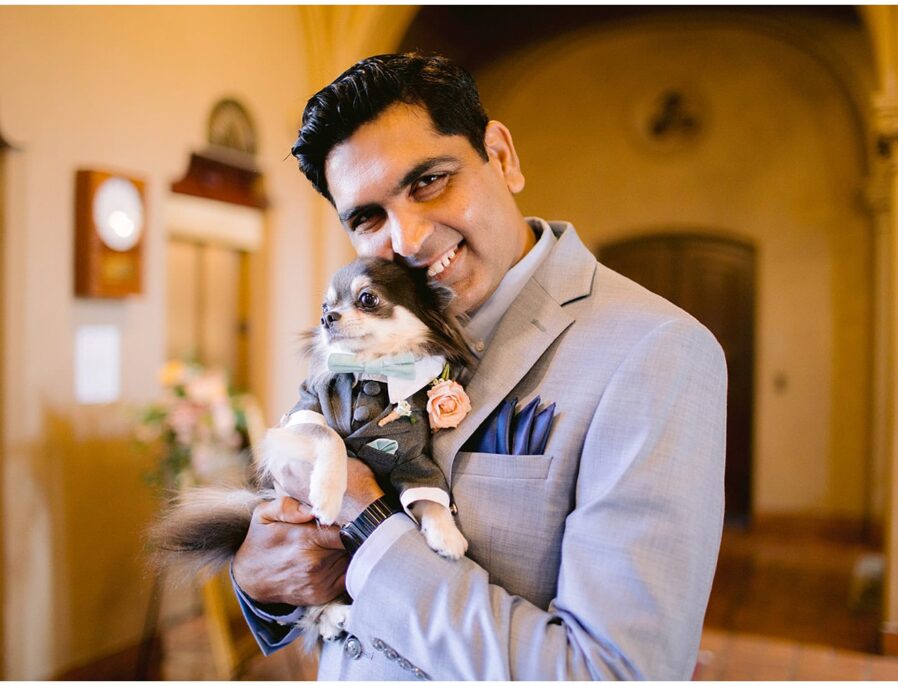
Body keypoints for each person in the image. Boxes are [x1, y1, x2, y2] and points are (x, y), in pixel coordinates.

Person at [231, 52, 727, 680]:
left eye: (428, 181)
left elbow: (614, 671)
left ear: (501, 155)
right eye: (368, 217)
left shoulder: (656, 351)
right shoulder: (365, 339)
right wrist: (260, 581)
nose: (407, 240)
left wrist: (370, 523)